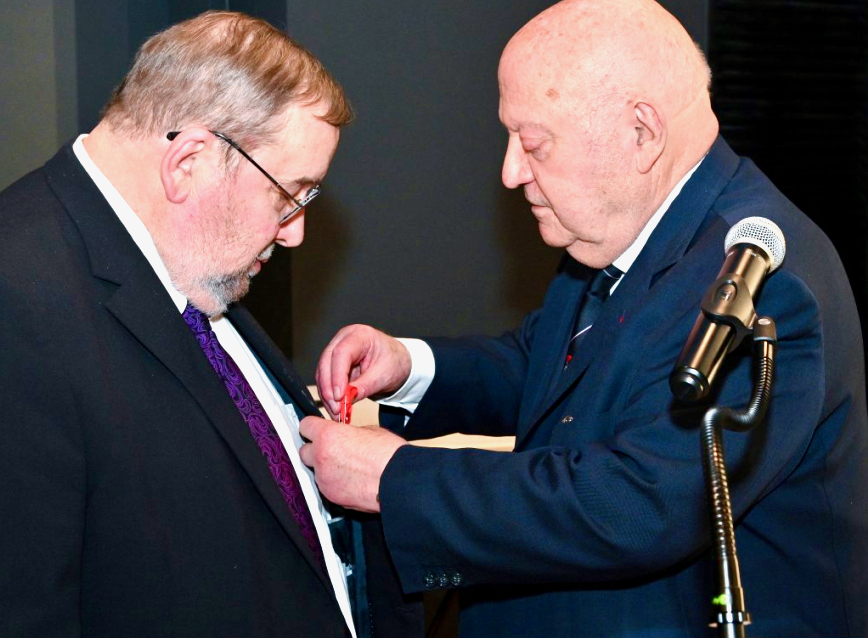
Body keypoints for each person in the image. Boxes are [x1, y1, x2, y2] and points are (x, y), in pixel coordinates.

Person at [297, 0, 868, 636]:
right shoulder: (618, 227)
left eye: (533, 143)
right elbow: (546, 368)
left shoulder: (762, 284)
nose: (510, 172)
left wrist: (395, 480)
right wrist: (412, 368)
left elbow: (639, 504)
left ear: (642, 134)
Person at [0, 11, 370, 638]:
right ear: (188, 162)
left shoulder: (189, 267)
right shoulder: (18, 300)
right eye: (289, 195)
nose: (296, 232)